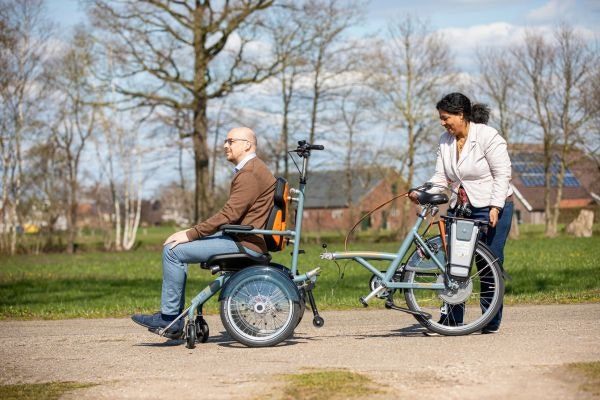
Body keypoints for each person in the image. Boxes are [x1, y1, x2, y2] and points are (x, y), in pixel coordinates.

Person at [132, 127, 276, 337]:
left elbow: (229, 215)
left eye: (230, 141)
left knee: (173, 251)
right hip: (242, 237)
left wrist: (191, 233)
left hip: (244, 242)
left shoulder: (250, 173)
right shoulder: (252, 169)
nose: (225, 145)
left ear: (247, 144)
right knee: (177, 247)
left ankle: (169, 319)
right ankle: (171, 317)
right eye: (225, 141)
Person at [409, 92, 513, 334]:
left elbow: (502, 174)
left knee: (488, 264)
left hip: (492, 206)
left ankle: (489, 321)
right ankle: (451, 322)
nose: (442, 123)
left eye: (446, 118)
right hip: (462, 207)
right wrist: (422, 190)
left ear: (461, 115)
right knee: (456, 264)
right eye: (441, 118)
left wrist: (495, 206)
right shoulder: (445, 141)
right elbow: (440, 176)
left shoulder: (488, 137)